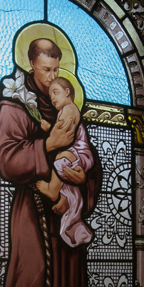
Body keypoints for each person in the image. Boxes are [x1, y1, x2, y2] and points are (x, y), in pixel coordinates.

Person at [0, 37, 99, 287]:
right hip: (30, 210)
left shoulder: (68, 106)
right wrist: (47, 146)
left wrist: (83, 177)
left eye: (56, 69)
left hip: (64, 210)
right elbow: (7, 159)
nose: (51, 74)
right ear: (30, 64)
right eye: (45, 68)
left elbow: (88, 158)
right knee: (29, 282)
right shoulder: (15, 102)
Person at [36, 77, 94, 247]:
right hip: (76, 153)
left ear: (67, 92)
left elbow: (60, 131)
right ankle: (65, 199)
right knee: (63, 164)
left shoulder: (69, 109)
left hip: (81, 152)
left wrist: (48, 129)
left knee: (60, 158)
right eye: (50, 95)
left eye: (56, 92)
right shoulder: (66, 110)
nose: (52, 98)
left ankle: (52, 189)